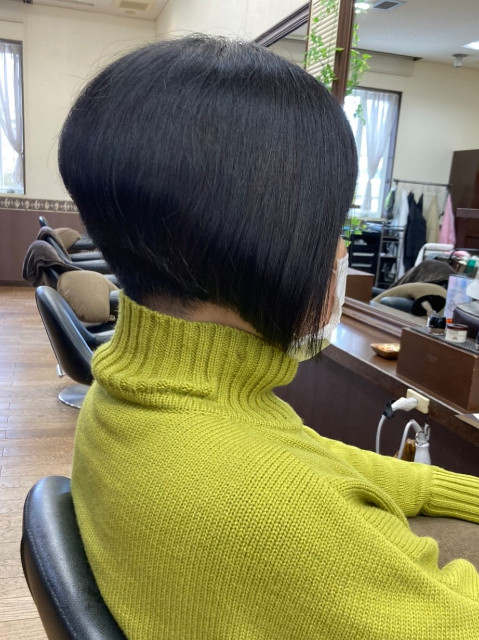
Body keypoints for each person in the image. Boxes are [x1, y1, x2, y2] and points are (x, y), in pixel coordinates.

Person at [58, 35, 479, 639]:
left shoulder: (135, 399)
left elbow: (318, 455)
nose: (338, 253)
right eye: (331, 227)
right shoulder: (273, 511)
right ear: (263, 247)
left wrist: (453, 490)